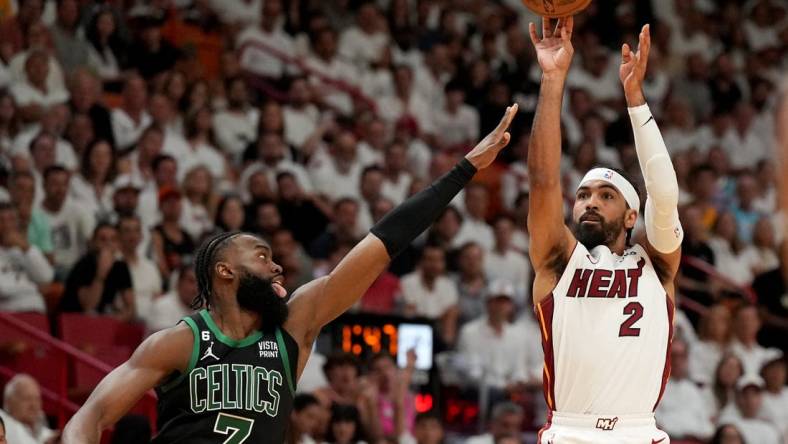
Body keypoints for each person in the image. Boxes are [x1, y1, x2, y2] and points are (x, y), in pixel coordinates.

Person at [62, 105, 518, 443]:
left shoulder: (294, 325)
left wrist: (463, 170)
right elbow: (91, 415)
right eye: (261, 255)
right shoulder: (180, 341)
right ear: (224, 272)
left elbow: (379, 246)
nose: (277, 263)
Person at [527, 19, 682, 443]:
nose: (590, 201)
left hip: (639, 433)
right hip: (570, 431)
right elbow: (542, 182)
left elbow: (664, 194)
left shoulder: (658, 264)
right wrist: (553, 77)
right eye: (582, 195)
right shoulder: (559, 259)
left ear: (632, 216)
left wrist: (635, 100)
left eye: (605, 195)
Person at [2, 374, 58, 444]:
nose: (33, 405)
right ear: (9, 402)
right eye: (27, 399)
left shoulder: (45, 433)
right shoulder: (4, 427)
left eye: (37, 399)